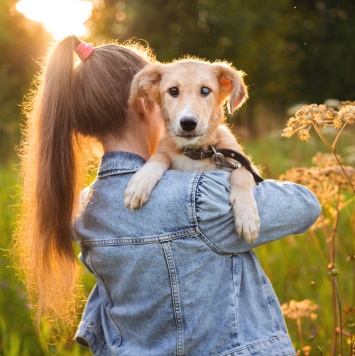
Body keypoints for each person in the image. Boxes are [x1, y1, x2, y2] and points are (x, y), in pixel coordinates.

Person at [17, 35, 321, 355]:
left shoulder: (80, 212)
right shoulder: (203, 199)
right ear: (145, 102)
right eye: (173, 93)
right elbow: (305, 205)